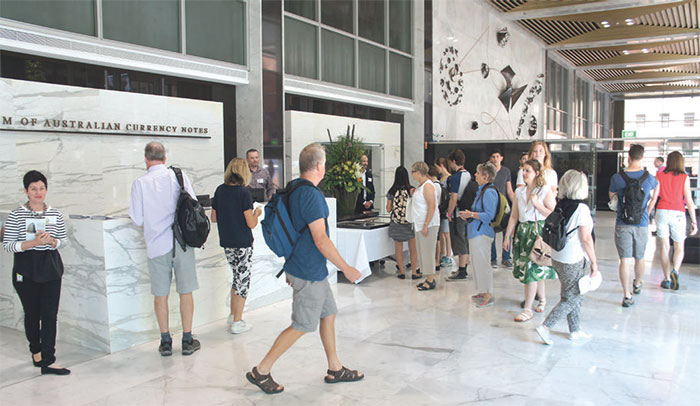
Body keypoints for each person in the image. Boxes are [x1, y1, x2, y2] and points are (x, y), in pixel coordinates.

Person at [246, 143, 363, 394]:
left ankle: (335, 367)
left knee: (328, 312)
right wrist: (347, 268)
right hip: (308, 270)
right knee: (302, 325)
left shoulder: (294, 188)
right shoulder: (311, 195)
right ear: (320, 166)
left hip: (304, 266)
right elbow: (320, 239)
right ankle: (261, 370)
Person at [129, 141, 201, 356]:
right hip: (182, 243)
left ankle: (166, 341)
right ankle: (187, 339)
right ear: (165, 158)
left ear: (145, 158)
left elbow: (137, 218)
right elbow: (194, 203)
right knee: (185, 292)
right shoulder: (178, 176)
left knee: (161, 295)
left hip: (156, 245)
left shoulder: (140, 183)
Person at [2, 170, 70, 375]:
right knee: (32, 314)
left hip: (50, 267)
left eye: (41, 188)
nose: (38, 192)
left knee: (50, 315)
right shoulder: (16, 214)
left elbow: (63, 241)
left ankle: (49, 360)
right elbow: (8, 245)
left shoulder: (55, 213)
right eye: (33, 189)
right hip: (26, 268)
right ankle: (36, 350)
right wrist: (33, 243)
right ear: (26, 191)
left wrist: (51, 241)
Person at [535, 170, 599, 345]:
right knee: (573, 296)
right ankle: (546, 326)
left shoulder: (561, 204)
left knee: (571, 292)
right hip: (573, 258)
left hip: (558, 255)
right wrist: (594, 262)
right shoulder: (582, 209)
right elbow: (585, 239)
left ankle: (575, 330)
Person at [211, 158, 263, 334]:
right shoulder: (243, 193)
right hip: (242, 242)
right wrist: (257, 213)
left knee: (236, 277)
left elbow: (214, 217)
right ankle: (238, 321)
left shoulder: (220, 190)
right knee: (243, 281)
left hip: (227, 242)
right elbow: (251, 223)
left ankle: (233, 315)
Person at [504, 160, 557, 322]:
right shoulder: (519, 192)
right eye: (523, 170)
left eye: (528, 170)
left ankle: (527, 309)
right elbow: (514, 216)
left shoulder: (544, 191)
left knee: (532, 271)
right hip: (523, 232)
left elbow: (553, 214)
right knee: (533, 271)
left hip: (537, 233)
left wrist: (536, 204)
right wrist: (507, 235)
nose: (524, 173)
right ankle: (542, 299)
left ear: (536, 173)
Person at [609, 144, 658, 307]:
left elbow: (612, 200)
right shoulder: (649, 178)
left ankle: (627, 294)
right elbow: (656, 192)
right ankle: (637, 283)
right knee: (640, 257)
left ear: (628, 157)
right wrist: (648, 210)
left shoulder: (617, 177)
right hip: (642, 223)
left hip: (622, 223)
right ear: (642, 157)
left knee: (624, 260)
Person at [648, 151, 698, 290]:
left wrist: (648, 212)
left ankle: (666, 279)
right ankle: (675, 270)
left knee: (664, 247)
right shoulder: (684, 177)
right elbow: (688, 200)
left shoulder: (660, 175)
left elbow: (654, 197)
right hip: (678, 213)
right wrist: (694, 221)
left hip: (662, 211)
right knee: (679, 247)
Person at [459, 162, 499, 308]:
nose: (475, 175)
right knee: (477, 263)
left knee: (483, 264)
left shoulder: (489, 192)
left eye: (477, 172)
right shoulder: (481, 190)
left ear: (486, 176)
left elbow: (489, 215)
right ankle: (482, 291)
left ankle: (488, 294)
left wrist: (471, 214)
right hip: (475, 232)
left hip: (482, 233)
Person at [411, 162, 440, 291]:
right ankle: (428, 276)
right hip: (420, 224)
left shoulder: (428, 186)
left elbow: (432, 206)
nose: (412, 175)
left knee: (428, 251)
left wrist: (426, 224)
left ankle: (431, 279)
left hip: (428, 224)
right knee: (422, 251)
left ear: (418, 172)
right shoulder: (421, 186)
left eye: (413, 172)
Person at [386, 167, 420, 280]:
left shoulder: (392, 191)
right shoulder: (411, 190)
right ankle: (415, 272)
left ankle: (402, 272)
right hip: (408, 222)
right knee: (413, 249)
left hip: (396, 223)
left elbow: (388, 209)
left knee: (398, 249)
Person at [445, 149, 472, 281]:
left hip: (458, 213)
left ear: (453, 161)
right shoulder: (469, 174)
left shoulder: (455, 178)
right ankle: (464, 268)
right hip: (468, 212)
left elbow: (454, 198)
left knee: (460, 240)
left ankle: (461, 270)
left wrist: (449, 213)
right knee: (466, 240)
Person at [489, 149, 515, 268]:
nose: (495, 159)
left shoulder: (506, 171)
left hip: (504, 205)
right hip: (492, 204)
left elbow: (509, 190)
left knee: (507, 230)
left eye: (497, 156)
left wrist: (515, 203)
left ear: (501, 158)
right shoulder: (488, 171)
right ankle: (493, 258)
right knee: (492, 231)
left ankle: (506, 257)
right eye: (493, 157)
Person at [435, 158, 453, 267]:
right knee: (442, 232)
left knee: (446, 233)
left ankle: (448, 255)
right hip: (441, 209)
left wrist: (449, 212)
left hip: (445, 210)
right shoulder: (441, 179)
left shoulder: (449, 179)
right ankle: (443, 253)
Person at [429, 165, 445, 273]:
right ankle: (437, 261)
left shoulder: (433, 186)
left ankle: (434, 261)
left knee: (433, 240)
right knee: (438, 239)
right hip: (438, 214)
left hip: (432, 215)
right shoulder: (440, 185)